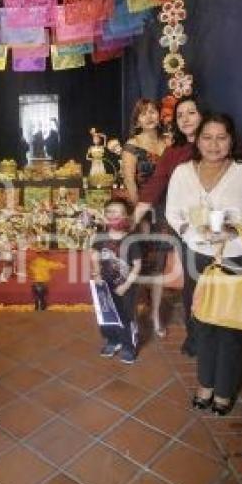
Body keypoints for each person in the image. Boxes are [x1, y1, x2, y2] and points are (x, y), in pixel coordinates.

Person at [166, 112, 242, 415]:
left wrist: (235, 233)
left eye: (221, 137)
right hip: (196, 255)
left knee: (228, 325)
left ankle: (224, 390)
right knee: (200, 319)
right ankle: (205, 383)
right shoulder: (182, 172)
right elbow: (173, 212)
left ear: (231, 140)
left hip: (235, 256)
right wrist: (189, 232)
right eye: (207, 137)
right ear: (197, 140)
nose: (214, 144)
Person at [133, 96, 206, 356]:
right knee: (191, 282)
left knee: (211, 283)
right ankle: (195, 335)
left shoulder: (214, 145)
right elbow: (155, 184)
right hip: (184, 226)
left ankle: (213, 336)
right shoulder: (173, 151)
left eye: (192, 112)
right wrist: (133, 219)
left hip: (215, 228)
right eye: (180, 115)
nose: (185, 118)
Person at [121, 98, 168, 338]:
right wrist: (141, 214)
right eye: (144, 113)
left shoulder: (168, 143)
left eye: (153, 112)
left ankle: (155, 314)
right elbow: (129, 180)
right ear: (137, 120)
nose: (149, 116)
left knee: (159, 266)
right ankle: (132, 316)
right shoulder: (132, 144)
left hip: (166, 211)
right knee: (137, 264)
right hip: (141, 210)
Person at [91, 198, 142, 364]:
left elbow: (137, 266)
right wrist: (97, 274)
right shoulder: (99, 237)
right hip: (105, 284)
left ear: (126, 217)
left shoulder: (132, 240)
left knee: (126, 316)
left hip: (126, 286)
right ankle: (113, 340)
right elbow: (95, 256)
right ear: (105, 216)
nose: (113, 215)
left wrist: (126, 285)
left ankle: (128, 345)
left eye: (118, 212)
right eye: (109, 212)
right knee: (106, 314)